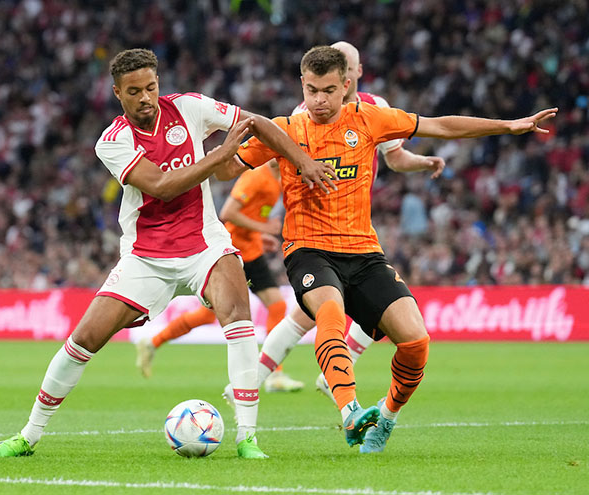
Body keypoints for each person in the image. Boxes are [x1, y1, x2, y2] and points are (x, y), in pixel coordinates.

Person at [0, 48, 337, 460]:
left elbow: (257, 123)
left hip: (205, 244)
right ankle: (28, 435)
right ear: (118, 93)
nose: (145, 97)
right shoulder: (112, 141)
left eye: (151, 87)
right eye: (134, 91)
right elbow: (163, 187)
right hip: (145, 256)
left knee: (238, 315)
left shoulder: (189, 107)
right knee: (83, 340)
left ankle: (247, 438)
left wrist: (302, 159)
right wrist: (219, 155)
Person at [233, 45, 555, 452]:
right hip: (308, 249)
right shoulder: (285, 130)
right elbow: (226, 167)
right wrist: (216, 142)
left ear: (347, 84)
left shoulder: (370, 118)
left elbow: (440, 126)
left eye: (329, 91)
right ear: (302, 85)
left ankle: (385, 418)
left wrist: (508, 126)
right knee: (329, 313)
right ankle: (350, 411)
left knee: (416, 342)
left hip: (364, 252)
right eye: (312, 90)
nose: (319, 100)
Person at [263, 41, 447, 405]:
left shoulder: (374, 109)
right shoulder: (304, 113)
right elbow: (275, 156)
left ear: (353, 74)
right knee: (317, 312)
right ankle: (262, 381)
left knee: (350, 308)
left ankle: (277, 377)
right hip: (313, 229)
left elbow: (396, 157)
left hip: (357, 224)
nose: (322, 94)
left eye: (346, 67)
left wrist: (423, 162)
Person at [135, 159, 304, 393]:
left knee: (277, 305)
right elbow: (229, 212)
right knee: (208, 315)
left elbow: (252, 214)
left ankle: (275, 375)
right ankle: (153, 343)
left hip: (252, 251)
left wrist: (259, 236)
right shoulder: (255, 177)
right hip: (234, 252)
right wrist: (263, 229)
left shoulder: (278, 179)